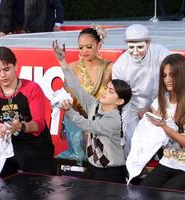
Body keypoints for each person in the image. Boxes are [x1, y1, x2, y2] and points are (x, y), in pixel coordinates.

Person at [52, 40, 132, 183]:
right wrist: (62, 60)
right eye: (107, 88)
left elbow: (87, 125)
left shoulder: (114, 120)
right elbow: (76, 86)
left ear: (119, 101)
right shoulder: (94, 105)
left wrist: (69, 110)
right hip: (94, 167)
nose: (105, 92)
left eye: (111, 91)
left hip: (112, 172)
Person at [0, 47, 56, 178]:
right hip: (8, 141)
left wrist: (20, 126)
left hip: (34, 143)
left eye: (6, 69)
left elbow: (39, 124)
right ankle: (8, 174)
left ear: (15, 66)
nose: (2, 75)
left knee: (39, 181)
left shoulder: (32, 88)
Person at [131, 53, 185, 191]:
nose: (167, 80)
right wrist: (145, 114)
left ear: (182, 75)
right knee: (141, 193)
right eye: (164, 75)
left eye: (172, 75)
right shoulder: (161, 101)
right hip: (167, 162)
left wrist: (165, 127)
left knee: (166, 196)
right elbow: (150, 121)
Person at [55, 25, 113, 163]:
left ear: (99, 45)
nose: (84, 51)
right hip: (78, 120)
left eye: (88, 46)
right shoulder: (72, 67)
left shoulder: (110, 68)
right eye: (81, 48)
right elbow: (68, 96)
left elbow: (115, 99)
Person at [112, 24, 170, 156]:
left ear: (149, 43)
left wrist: (154, 108)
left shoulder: (160, 53)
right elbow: (122, 98)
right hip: (134, 110)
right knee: (131, 140)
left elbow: (174, 81)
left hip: (163, 105)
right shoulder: (120, 66)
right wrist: (135, 116)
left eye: (140, 47)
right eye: (131, 47)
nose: (135, 52)